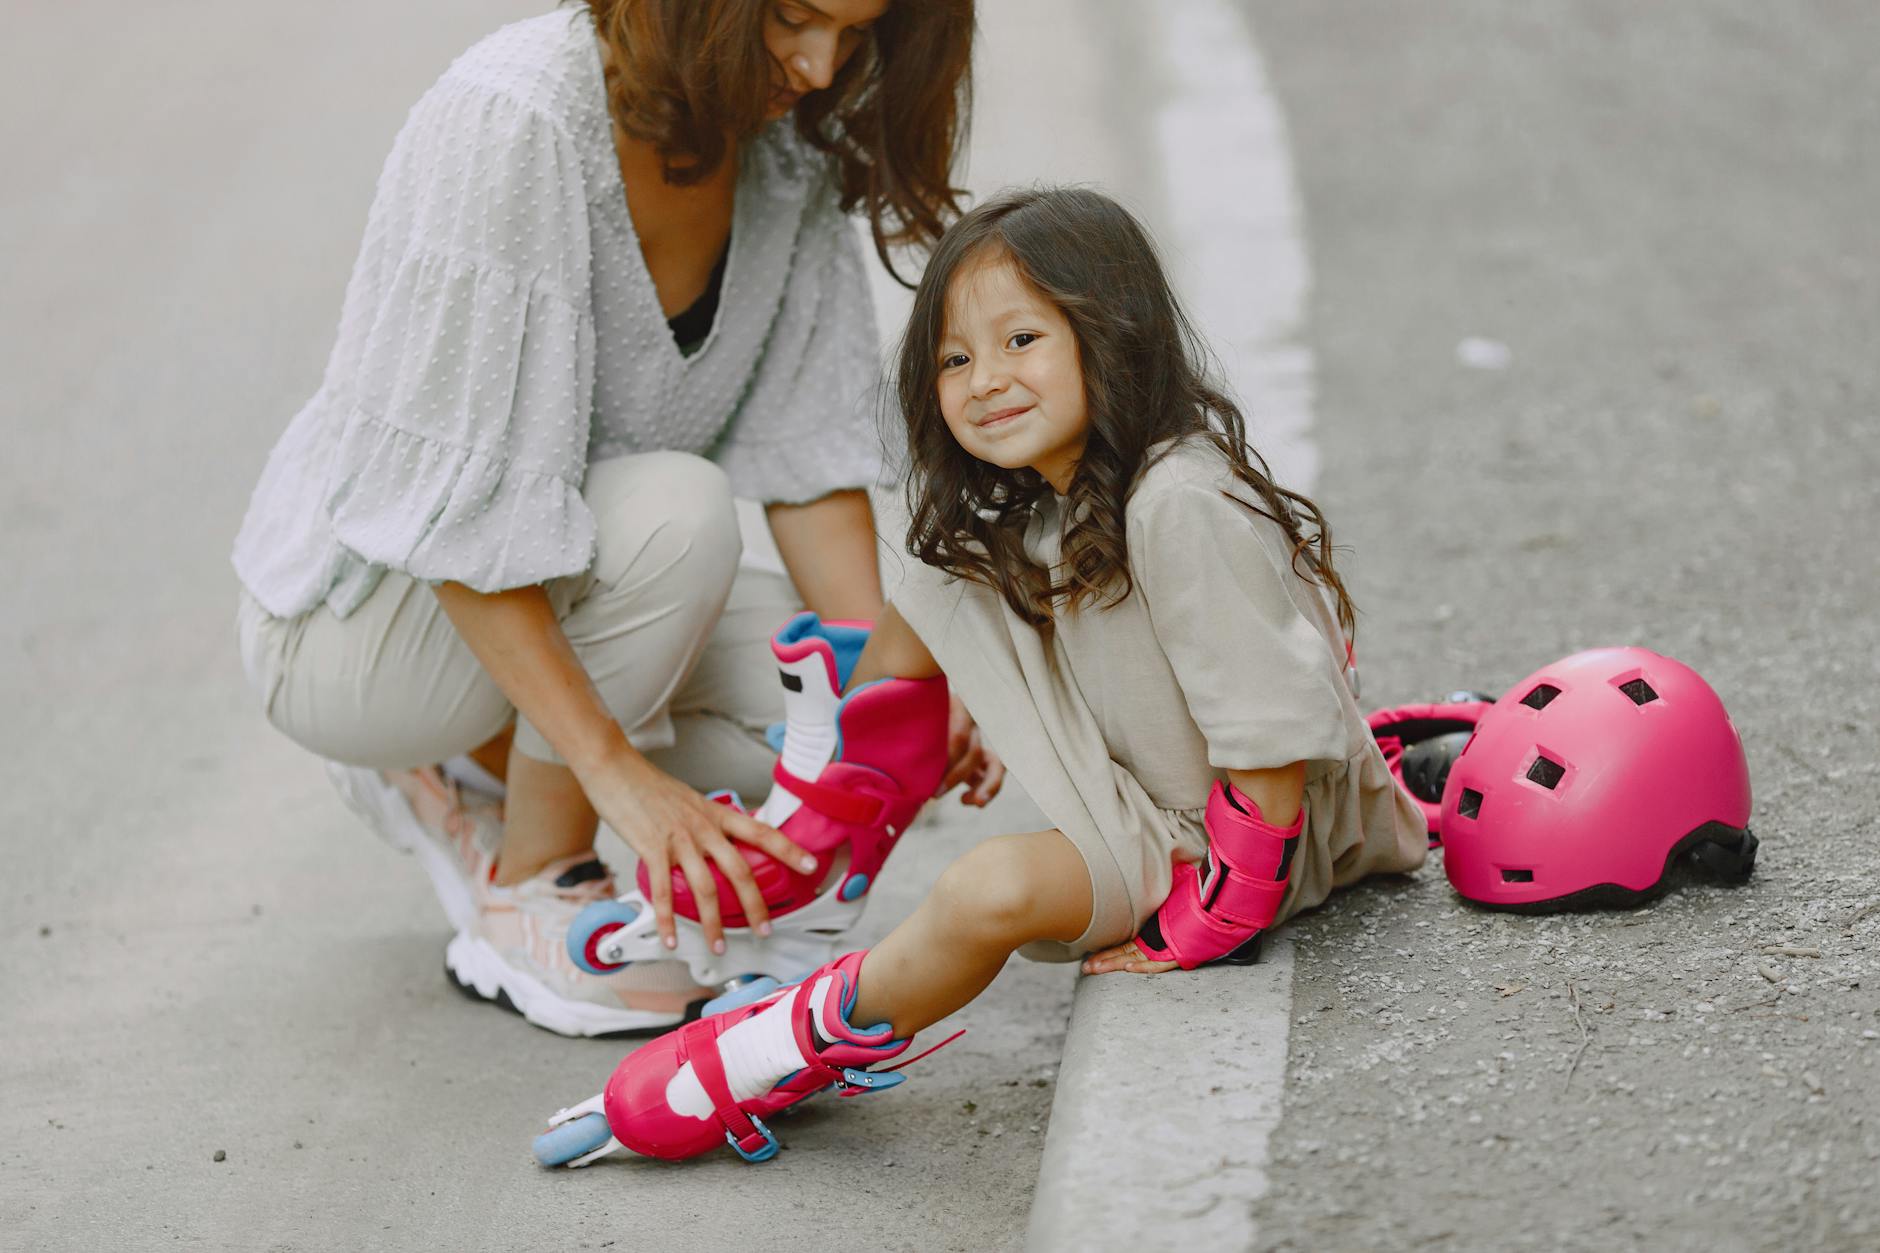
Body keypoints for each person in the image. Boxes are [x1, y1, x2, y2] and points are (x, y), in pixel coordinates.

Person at [544, 186, 1430, 1165]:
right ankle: (819, 845)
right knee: (943, 562)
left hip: (1236, 845)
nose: (983, 380)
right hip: (1144, 807)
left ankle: (782, 1043)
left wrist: (1214, 915)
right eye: (954, 359)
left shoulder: (1177, 497)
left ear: (1112, 335)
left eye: (1020, 340)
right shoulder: (1040, 508)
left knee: (985, 889)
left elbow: (1265, 739)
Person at [230, 0, 999, 1039]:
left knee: (807, 745)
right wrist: (615, 777)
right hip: (360, 618)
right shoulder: (513, 120)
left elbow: (811, 463)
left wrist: (900, 690)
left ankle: (476, 767)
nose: (819, 69)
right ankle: (534, 874)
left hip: (581, 575)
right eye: (793, 18)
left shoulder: (779, 151)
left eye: (855, 39)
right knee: (679, 513)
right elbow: (461, 516)